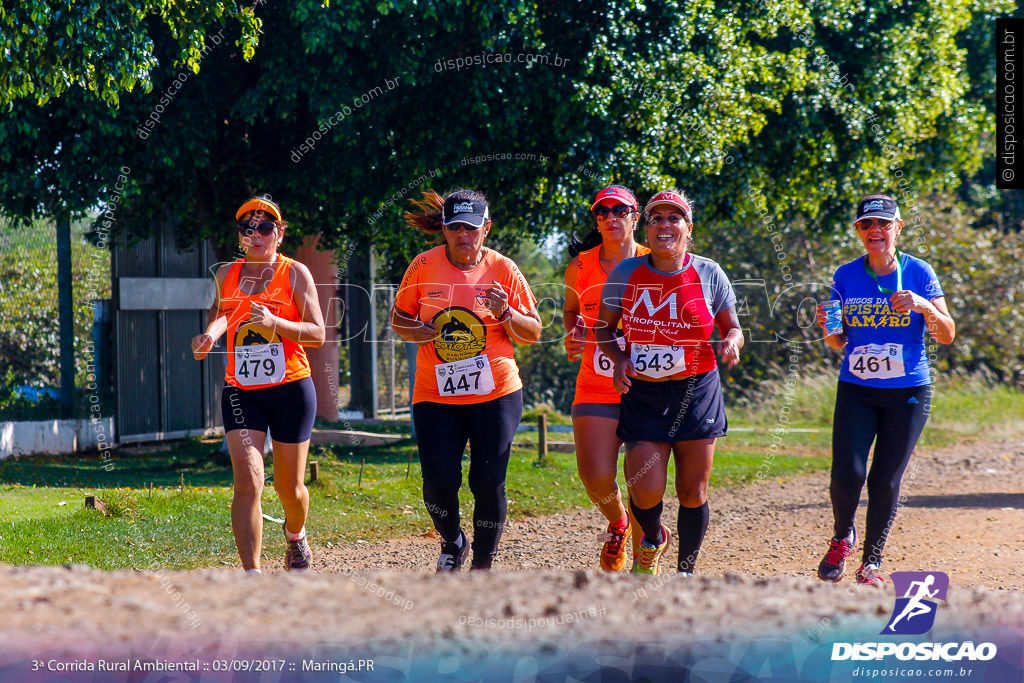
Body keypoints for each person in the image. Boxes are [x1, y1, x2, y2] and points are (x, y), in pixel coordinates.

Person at [390, 189, 541, 572]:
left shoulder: (503, 269)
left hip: (496, 391)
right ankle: (454, 541)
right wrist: (417, 331)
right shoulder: (423, 265)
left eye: (471, 228)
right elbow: (398, 319)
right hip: (435, 393)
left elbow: (533, 331)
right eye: (455, 226)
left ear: (486, 229)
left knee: (488, 480)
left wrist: (506, 312)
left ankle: (483, 566)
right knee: (438, 482)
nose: (462, 234)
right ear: (443, 228)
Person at [596, 190, 742, 575]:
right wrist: (619, 358)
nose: (664, 225)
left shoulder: (709, 272)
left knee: (693, 491)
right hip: (644, 391)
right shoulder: (626, 273)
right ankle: (650, 538)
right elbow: (603, 329)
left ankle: (685, 572)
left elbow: (734, 329)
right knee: (645, 486)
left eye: (673, 218)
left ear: (688, 228)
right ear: (648, 227)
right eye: (656, 218)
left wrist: (731, 341)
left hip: (697, 389)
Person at [816, 194, 955, 586]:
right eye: (866, 224)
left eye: (883, 223)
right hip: (857, 388)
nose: (875, 230)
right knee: (847, 474)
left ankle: (871, 563)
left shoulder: (919, 271)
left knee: (884, 480)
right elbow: (837, 340)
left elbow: (947, 333)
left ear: (898, 228)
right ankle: (843, 535)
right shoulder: (845, 275)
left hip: (908, 391)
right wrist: (827, 327)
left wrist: (924, 306)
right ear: (858, 231)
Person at [191, 196, 326, 573]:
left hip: (291, 388)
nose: (257, 234)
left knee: (289, 488)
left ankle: (296, 536)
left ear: (279, 234)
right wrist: (209, 337)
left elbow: (317, 334)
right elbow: (222, 315)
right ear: (240, 237)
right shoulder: (226, 275)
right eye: (248, 228)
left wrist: (276, 325)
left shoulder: (295, 273)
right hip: (241, 390)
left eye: (266, 227)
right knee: (248, 481)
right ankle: (251, 575)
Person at [563, 185, 650, 572]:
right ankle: (618, 525)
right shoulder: (580, 266)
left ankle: (648, 551)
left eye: (620, 210)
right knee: (595, 476)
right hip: (596, 383)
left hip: (648, 385)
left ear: (635, 216)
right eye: (602, 213)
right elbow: (570, 311)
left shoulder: (656, 260)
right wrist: (573, 332)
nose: (610, 218)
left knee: (644, 481)